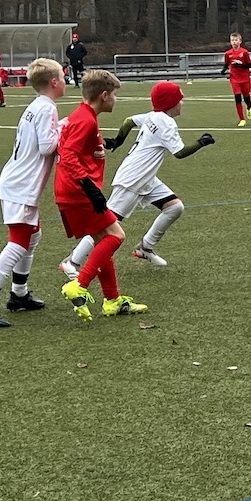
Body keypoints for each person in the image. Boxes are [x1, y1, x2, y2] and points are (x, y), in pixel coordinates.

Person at [61, 81, 216, 276]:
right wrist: (202, 142)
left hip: (145, 178)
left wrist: (118, 140)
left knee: (174, 207)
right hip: (133, 179)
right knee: (106, 224)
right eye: (179, 99)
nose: (182, 103)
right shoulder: (166, 122)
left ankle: (145, 247)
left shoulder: (153, 116)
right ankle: (72, 261)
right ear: (171, 103)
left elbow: (129, 121)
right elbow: (180, 153)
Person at [0, 58, 66, 328]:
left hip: (18, 181)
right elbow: (47, 146)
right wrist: (67, 128)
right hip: (21, 184)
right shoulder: (47, 108)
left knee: (32, 236)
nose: (65, 81)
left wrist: (61, 126)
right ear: (54, 82)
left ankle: (19, 295)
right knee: (19, 242)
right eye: (62, 77)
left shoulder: (37, 105)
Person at [56, 69, 146, 321]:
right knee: (117, 236)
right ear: (104, 96)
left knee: (102, 240)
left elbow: (74, 146)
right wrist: (89, 187)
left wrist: (101, 143)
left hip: (70, 191)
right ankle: (79, 284)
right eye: (114, 95)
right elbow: (69, 155)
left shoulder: (83, 115)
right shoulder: (85, 120)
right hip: (78, 192)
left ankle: (112, 300)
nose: (115, 100)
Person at [221, 32, 251, 126]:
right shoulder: (228, 53)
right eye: (232, 40)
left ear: (240, 41)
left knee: (246, 97)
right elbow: (227, 64)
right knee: (238, 97)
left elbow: (249, 65)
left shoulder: (244, 52)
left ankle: (249, 107)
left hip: (245, 79)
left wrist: (241, 65)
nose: (234, 42)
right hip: (234, 79)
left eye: (236, 40)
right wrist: (223, 70)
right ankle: (242, 119)